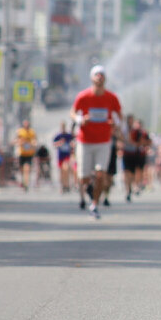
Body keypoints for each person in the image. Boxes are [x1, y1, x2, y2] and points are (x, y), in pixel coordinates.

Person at [71, 65, 123, 218]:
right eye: (96, 75)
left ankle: (94, 203)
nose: (99, 78)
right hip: (85, 141)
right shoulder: (83, 96)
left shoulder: (111, 97)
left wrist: (116, 124)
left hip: (103, 141)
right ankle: (89, 186)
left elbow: (120, 116)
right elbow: (73, 112)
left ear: (105, 79)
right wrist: (81, 119)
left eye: (102, 75)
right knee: (84, 177)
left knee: (101, 174)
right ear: (92, 78)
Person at [13, 119, 37, 191]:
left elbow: (34, 141)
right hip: (21, 153)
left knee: (27, 168)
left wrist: (33, 144)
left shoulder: (32, 132)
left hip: (29, 154)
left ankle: (26, 184)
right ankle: (23, 181)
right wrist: (20, 142)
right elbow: (16, 140)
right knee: (21, 169)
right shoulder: (20, 132)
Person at [52, 121, 76, 193]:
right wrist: (59, 143)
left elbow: (73, 142)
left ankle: (67, 185)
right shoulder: (58, 136)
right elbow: (54, 144)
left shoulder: (68, 135)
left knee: (66, 168)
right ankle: (63, 185)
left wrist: (72, 145)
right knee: (62, 172)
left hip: (67, 156)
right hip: (60, 156)